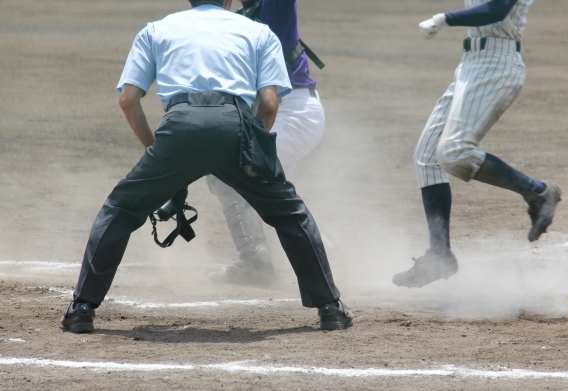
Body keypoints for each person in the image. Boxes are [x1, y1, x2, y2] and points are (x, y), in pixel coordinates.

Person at [60, 0, 352, 333]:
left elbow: (128, 100)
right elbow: (270, 103)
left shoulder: (156, 29)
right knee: (288, 212)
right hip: (237, 124)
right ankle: (330, 308)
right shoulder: (258, 31)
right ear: (229, 1)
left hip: (178, 126)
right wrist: (252, 148)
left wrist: (156, 151)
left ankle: (82, 308)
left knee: (121, 209)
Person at [392, 0, 562, 288]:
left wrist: (443, 18)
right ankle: (439, 255)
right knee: (427, 157)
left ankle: (539, 192)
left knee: (454, 153)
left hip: (497, 66)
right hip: (471, 65)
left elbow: (497, 9)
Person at [205, 0, 326, 286]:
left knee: (231, 176)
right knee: (269, 196)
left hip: (292, 112)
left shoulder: (274, 4)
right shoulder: (238, 16)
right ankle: (332, 256)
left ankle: (255, 263)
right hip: (275, 112)